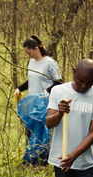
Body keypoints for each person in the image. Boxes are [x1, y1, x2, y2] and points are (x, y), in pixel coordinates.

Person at [15, 36, 62, 165]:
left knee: (43, 130)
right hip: (32, 101)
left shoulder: (49, 62)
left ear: (36, 48)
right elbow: (32, 80)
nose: (27, 54)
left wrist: (47, 91)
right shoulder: (31, 62)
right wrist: (19, 88)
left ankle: (44, 158)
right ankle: (31, 156)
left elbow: (58, 82)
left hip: (45, 101)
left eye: (28, 51)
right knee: (30, 128)